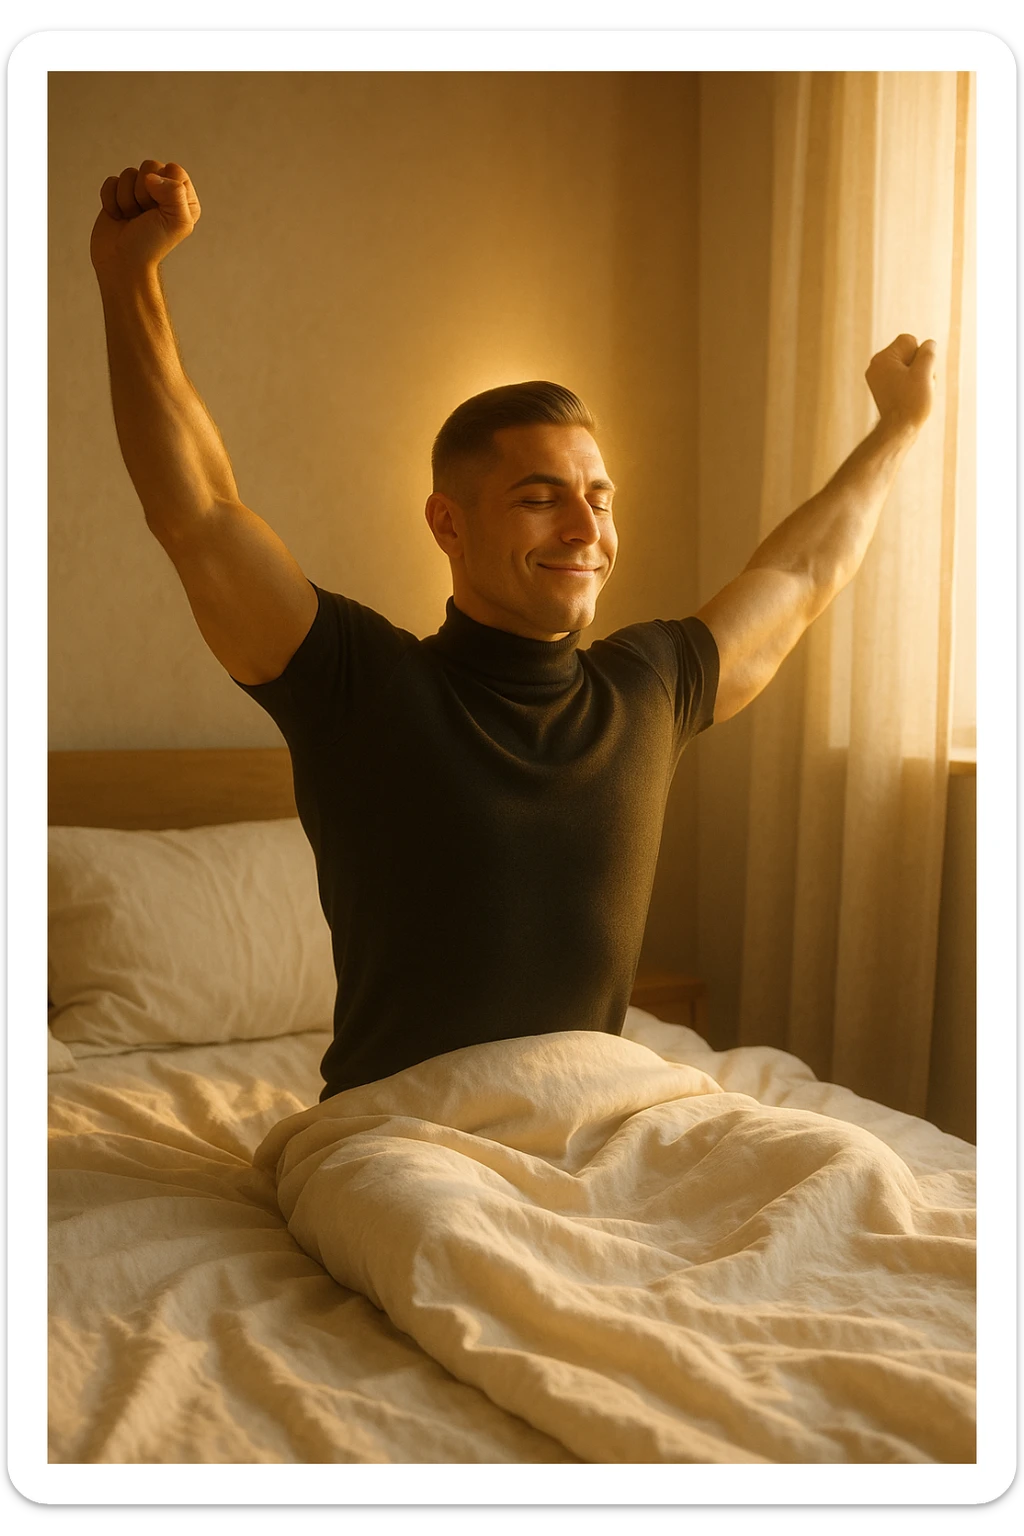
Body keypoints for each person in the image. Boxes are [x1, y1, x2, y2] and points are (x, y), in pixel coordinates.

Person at [90, 160, 938, 1101]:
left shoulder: (649, 685)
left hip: (597, 1111)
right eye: (541, 500)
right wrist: (131, 279)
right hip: (399, 1130)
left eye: (599, 500)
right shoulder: (359, 683)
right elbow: (201, 512)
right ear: (447, 524)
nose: (585, 530)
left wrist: (897, 428)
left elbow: (800, 575)